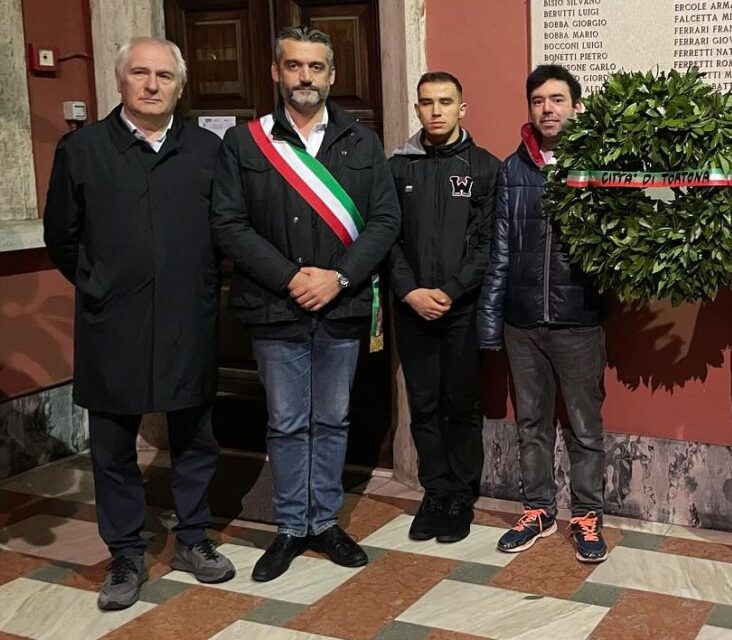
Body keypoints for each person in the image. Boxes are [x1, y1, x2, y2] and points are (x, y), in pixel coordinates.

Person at [42, 36, 234, 610]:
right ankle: (125, 551)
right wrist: (100, 282)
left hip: (186, 317)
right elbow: (62, 237)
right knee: (112, 445)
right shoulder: (83, 150)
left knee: (196, 437)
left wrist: (200, 281)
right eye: (140, 74)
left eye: (164, 77)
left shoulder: (207, 149)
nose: (151, 85)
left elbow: (226, 229)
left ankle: (194, 538)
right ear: (120, 79)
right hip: (112, 320)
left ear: (180, 86)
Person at [211, 25, 400, 582]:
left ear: (332, 75)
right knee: (288, 421)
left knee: (333, 418)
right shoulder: (245, 143)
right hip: (276, 306)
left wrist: (338, 277)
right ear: (276, 72)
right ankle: (291, 526)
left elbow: (385, 220)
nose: (305, 77)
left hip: (339, 307)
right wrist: (293, 277)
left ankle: (325, 522)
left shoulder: (361, 142)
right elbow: (228, 223)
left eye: (316, 68)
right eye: (294, 66)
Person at [477, 64, 609, 563]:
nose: (547, 109)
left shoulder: (598, 163)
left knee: (583, 425)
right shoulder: (514, 170)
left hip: (578, 319)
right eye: (538, 100)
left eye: (557, 99)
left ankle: (588, 514)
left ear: (576, 106)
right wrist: (491, 324)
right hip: (522, 321)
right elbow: (500, 252)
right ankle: (537, 508)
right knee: (530, 420)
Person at [387, 71, 502, 543]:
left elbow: (487, 243)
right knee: (424, 402)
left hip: (461, 309)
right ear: (416, 109)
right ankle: (434, 491)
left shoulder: (484, 167)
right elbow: (385, 237)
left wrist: (452, 291)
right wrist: (410, 289)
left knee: (459, 401)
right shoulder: (396, 167)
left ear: (462, 109)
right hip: (411, 306)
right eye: (427, 102)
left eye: (445, 102)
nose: (435, 110)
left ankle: (460, 495)